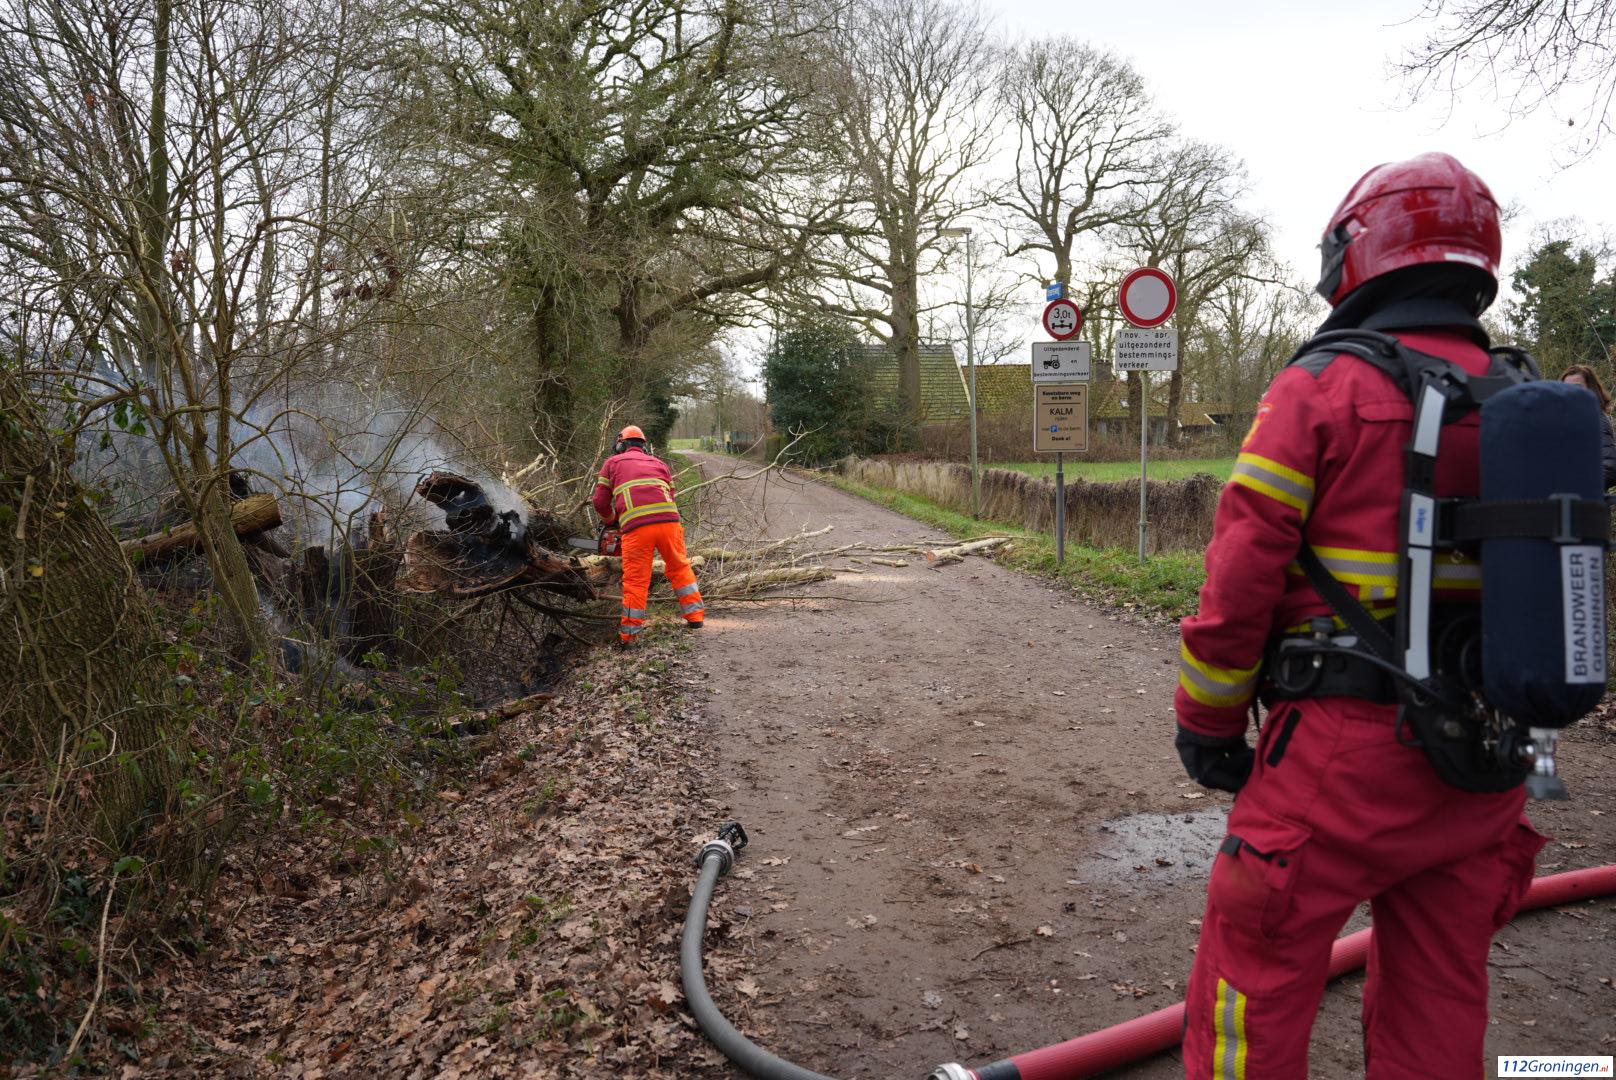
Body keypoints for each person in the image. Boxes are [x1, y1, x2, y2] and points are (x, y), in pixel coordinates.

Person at [1174, 153, 1545, 1079]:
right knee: (1442, 997)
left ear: (1357, 252)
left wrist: (1209, 723)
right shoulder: (1522, 402)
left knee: (1250, 976)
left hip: (1338, 760)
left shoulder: (1324, 388)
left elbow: (1240, 579)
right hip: (1486, 759)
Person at [592, 425, 705, 643]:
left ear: (621, 444)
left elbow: (599, 501)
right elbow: (671, 495)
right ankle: (695, 617)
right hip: (670, 523)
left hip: (637, 528)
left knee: (636, 580)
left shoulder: (612, 463)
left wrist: (610, 520)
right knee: (680, 568)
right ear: (644, 445)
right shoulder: (660, 464)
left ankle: (630, 635)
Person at [1559, 363, 1616, 489]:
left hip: (1585, 505)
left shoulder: (1595, 420)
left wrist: (1574, 488)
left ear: (1591, 390)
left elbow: (1610, 468)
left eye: (1577, 387)